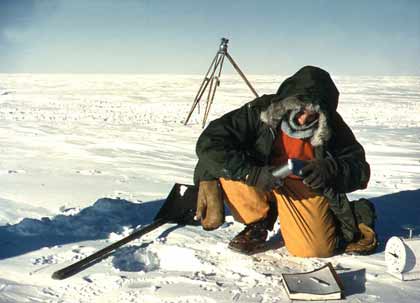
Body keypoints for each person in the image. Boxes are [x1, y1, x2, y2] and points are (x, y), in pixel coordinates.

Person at [193, 65, 377, 257]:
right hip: (260, 176)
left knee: (313, 250)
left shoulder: (332, 125)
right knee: (228, 167)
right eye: (300, 110)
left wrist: (329, 169)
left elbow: (360, 169)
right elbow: (210, 142)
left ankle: (354, 214)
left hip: (303, 186)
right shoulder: (261, 111)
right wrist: (250, 173)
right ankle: (258, 223)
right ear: (289, 102)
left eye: (313, 114)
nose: (304, 119)